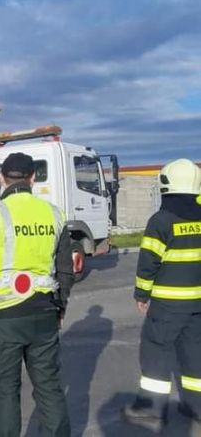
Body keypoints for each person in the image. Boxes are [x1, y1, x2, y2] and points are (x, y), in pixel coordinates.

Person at [0, 152, 74, 437]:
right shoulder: (54, 214)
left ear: (1, 178)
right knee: (49, 389)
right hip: (44, 315)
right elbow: (65, 271)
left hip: (4, 321)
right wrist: (60, 309)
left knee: (5, 393)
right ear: (33, 178)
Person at [122, 158, 201, 431]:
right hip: (197, 303)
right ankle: (196, 406)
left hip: (168, 305)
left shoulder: (161, 220)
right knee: (194, 352)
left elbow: (148, 263)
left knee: (156, 351)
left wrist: (141, 293)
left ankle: (152, 409)